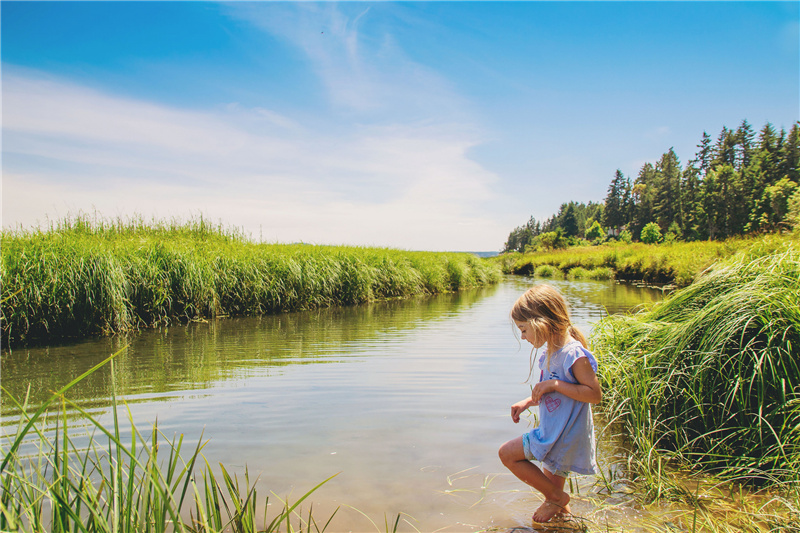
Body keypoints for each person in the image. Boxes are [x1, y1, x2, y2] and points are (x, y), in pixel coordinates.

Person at [498, 284, 602, 523]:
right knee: (557, 512)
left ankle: (557, 498)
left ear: (541, 322)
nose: (523, 337)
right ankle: (566, 520)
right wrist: (528, 401)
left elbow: (594, 394)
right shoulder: (550, 354)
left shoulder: (574, 355)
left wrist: (553, 385)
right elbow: (556, 395)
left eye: (524, 330)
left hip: (563, 435)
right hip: (555, 432)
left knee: (507, 454)